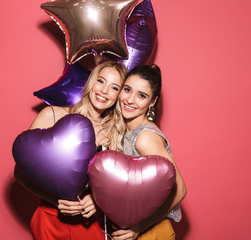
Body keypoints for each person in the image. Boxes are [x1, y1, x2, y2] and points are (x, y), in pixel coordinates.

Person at [14, 61, 128, 240]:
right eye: (101, 81)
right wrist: (55, 201)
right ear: (91, 82)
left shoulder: (117, 134)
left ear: (119, 95)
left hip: (91, 226)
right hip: (51, 221)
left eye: (114, 87)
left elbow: (121, 187)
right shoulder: (52, 115)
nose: (104, 91)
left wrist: (98, 202)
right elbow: (19, 173)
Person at [111, 64, 187, 240]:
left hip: (152, 232)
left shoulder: (144, 137)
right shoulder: (125, 130)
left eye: (141, 96)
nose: (130, 100)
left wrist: (140, 227)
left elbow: (180, 189)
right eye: (127, 90)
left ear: (152, 102)